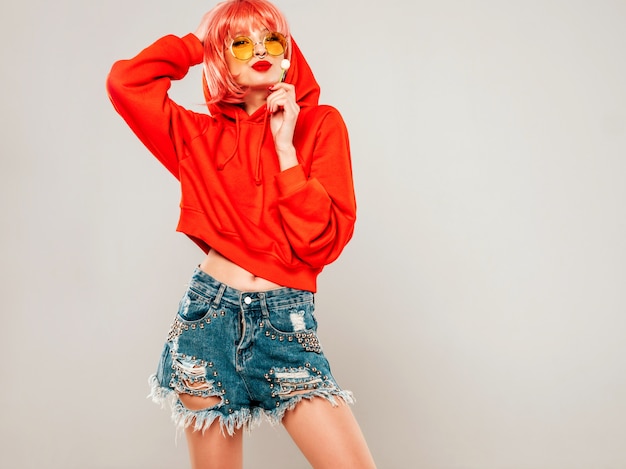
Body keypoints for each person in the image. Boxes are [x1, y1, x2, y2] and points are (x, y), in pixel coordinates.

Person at [107, 0, 375, 467]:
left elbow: (322, 242)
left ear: (288, 50)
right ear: (221, 54)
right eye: (240, 42)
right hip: (206, 321)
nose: (258, 51)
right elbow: (125, 82)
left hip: (284, 326)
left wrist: (285, 147)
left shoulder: (321, 125)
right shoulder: (198, 137)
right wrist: (198, 42)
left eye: (270, 39)